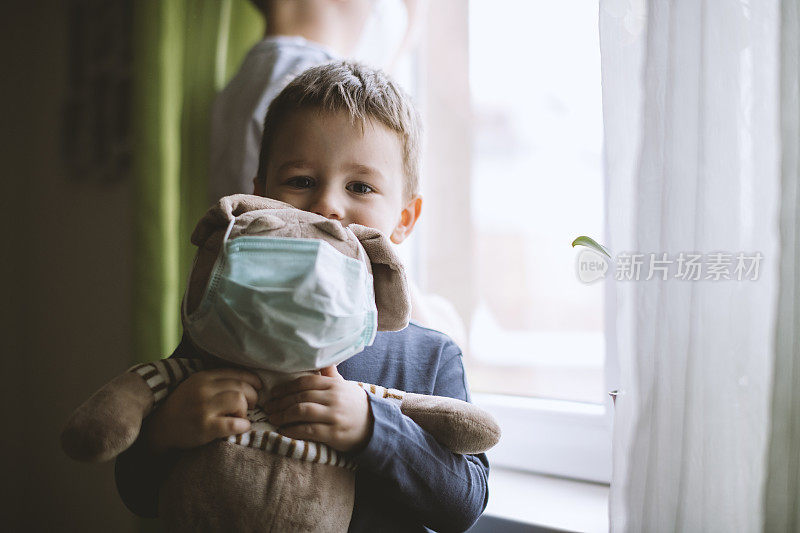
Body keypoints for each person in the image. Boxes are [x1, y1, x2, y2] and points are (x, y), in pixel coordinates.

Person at [116, 61, 489, 532]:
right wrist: (167, 430)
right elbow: (136, 493)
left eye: (360, 186)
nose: (327, 206)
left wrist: (373, 428)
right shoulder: (222, 328)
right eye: (301, 181)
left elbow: (464, 505)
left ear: (404, 219)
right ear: (260, 198)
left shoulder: (429, 356)